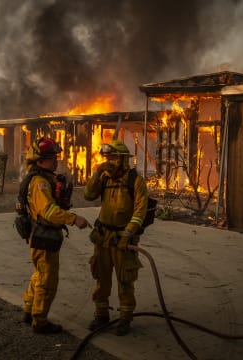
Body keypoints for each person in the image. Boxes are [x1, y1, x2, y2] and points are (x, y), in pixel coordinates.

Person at [21, 136, 91, 334]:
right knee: (47, 280)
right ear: (40, 159)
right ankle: (40, 321)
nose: (56, 161)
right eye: (52, 157)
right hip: (43, 237)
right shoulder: (39, 183)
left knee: (39, 275)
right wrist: (73, 219)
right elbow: (49, 212)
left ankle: (29, 309)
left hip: (42, 235)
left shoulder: (44, 179)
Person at [83, 139, 148, 336]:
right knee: (101, 279)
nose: (108, 161)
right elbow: (87, 195)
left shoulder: (135, 181)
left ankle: (125, 318)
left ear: (122, 160)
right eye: (107, 158)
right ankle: (101, 315)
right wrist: (96, 174)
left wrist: (128, 234)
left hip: (123, 238)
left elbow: (140, 212)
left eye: (112, 158)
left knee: (125, 279)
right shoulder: (104, 178)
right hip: (103, 237)